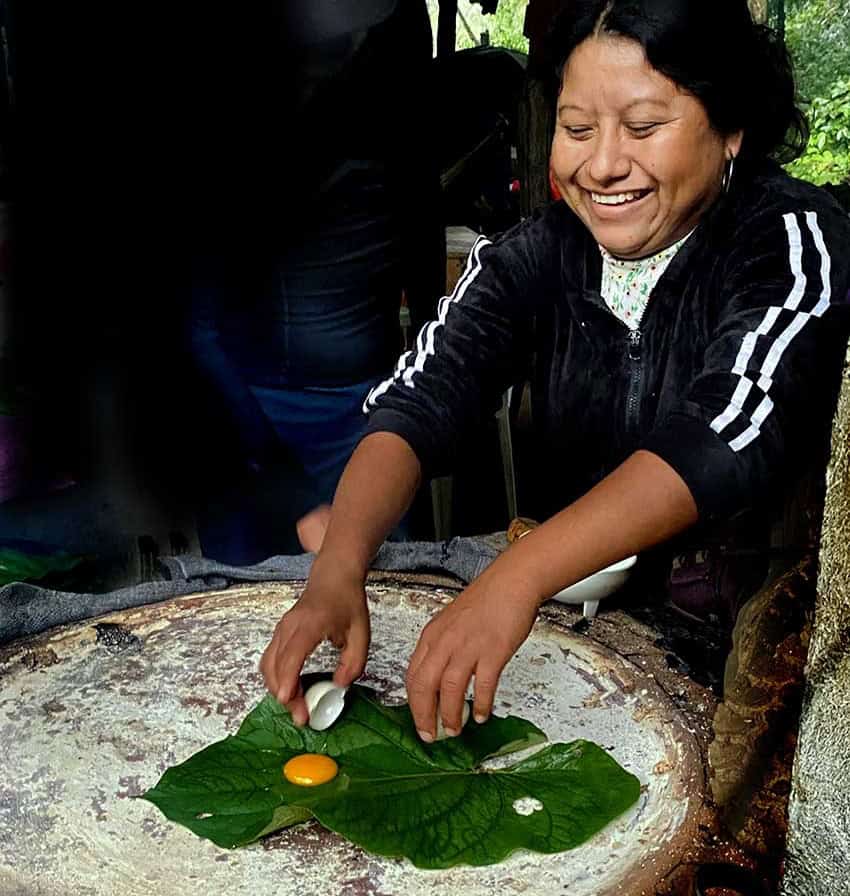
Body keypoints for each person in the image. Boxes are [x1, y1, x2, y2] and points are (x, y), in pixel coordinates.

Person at [260, 0, 850, 743]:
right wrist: (339, 566)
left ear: (731, 128)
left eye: (643, 127)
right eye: (577, 129)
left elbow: (723, 433)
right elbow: (421, 398)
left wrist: (516, 576)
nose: (602, 164)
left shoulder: (792, 242)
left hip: (750, 662)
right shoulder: (535, 254)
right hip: (583, 634)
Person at [184, 0, 444, 564]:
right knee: (239, 622)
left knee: (392, 610)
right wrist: (293, 497)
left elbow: (422, 235)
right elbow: (192, 331)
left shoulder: (392, 68)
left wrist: (425, 403)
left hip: (370, 413)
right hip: (247, 420)